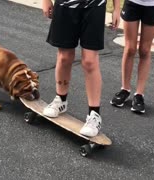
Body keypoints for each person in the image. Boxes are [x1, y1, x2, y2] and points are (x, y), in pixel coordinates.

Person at [42, 0, 120, 137]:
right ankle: (61, 99)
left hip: (94, 5)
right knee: (64, 57)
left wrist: (117, 8)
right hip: (66, 5)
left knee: (90, 61)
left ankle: (94, 114)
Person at [110, 0, 154, 114]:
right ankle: (125, 89)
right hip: (132, 3)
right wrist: (116, 9)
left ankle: (139, 94)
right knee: (130, 48)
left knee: (144, 50)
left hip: (153, 5)